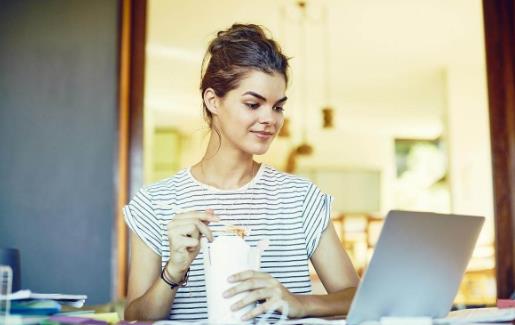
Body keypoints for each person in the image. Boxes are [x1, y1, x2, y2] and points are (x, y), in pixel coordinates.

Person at [123, 23, 359, 322]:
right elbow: (135, 317)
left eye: (278, 107)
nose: (269, 119)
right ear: (213, 101)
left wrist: (300, 303)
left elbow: (356, 298)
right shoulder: (155, 202)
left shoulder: (301, 199)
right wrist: (174, 270)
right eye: (253, 104)